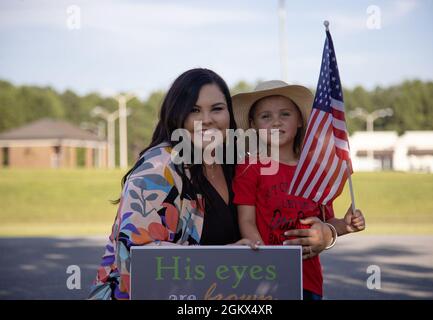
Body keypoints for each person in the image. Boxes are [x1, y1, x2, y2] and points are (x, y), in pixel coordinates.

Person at [88, 69, 339, 300]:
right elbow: (135, 258)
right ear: (176, 115)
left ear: (229, 114)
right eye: (194, 110)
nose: (206, 120)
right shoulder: (158, 168)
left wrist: (326, 235)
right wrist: (223, 259)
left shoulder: (237, 164)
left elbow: (282, 219)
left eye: (217, 109)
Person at [231, 80, 366, 300]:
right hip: (265, 276)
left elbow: (325, 223)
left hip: (308, 278)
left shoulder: (315, 170)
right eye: (265, 116)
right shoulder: (250, 167)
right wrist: (264, 260)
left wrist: (345, 225)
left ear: (301, 121)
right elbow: (246, 220)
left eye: (285, 114)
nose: (276, 122)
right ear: (253, 124)